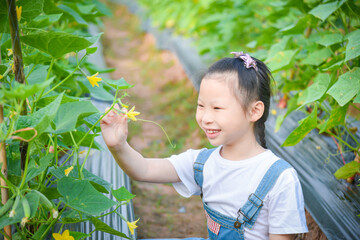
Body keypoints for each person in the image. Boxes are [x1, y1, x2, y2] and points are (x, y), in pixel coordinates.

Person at [100, 52, 308, 240]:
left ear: (254, 111)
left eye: (217, 108)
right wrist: (118, 145)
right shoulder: (203, 163)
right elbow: (144, 169)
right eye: (201, 106)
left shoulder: (280, 179)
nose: (206, 117)